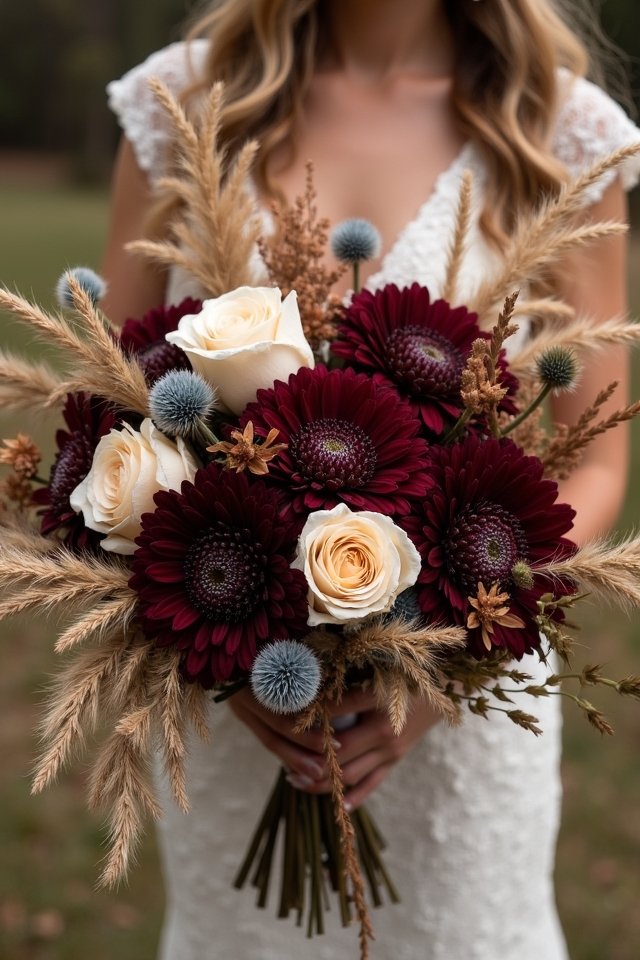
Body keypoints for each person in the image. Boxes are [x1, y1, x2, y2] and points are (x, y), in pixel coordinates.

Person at [102, 2, 640, 957]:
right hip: (232, 695)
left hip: (461, 701)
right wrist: (231, 655)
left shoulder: (564, 130)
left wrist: (442, 667)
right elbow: (113, 397)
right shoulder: (181, 100)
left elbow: (594, 458)